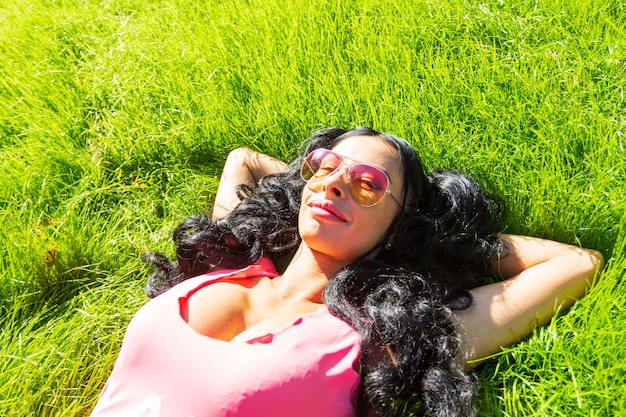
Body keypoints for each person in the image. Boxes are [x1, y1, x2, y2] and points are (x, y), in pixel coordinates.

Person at [90, 127, 604, 417]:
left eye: (368, 184)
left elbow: (575, 263)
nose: (334, 182)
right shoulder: (229, 260)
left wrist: (433, 240)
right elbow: (242, 161)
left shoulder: (375, 337)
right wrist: (319, 183)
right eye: (324, 164)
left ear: (398, 227)